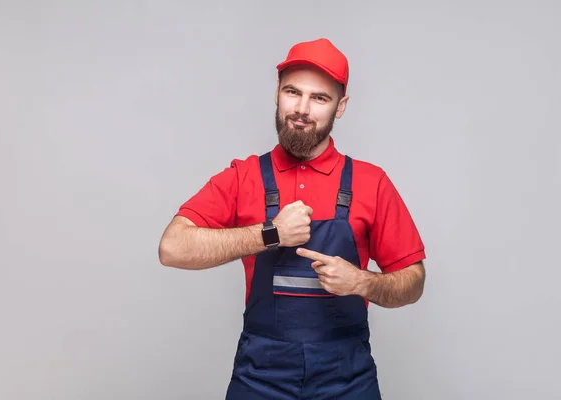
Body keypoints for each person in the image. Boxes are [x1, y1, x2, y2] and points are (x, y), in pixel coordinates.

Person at [159, 38, 426, 400]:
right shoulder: (244, 176)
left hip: (347, 378)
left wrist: (363, 282)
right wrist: (271, 234)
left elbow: (413, 282)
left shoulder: (371, 182)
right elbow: (172, 248)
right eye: (292, 92)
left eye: (320, 98)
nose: (301, 109)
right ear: (277, 94)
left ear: (341, 107)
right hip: (260, 376)